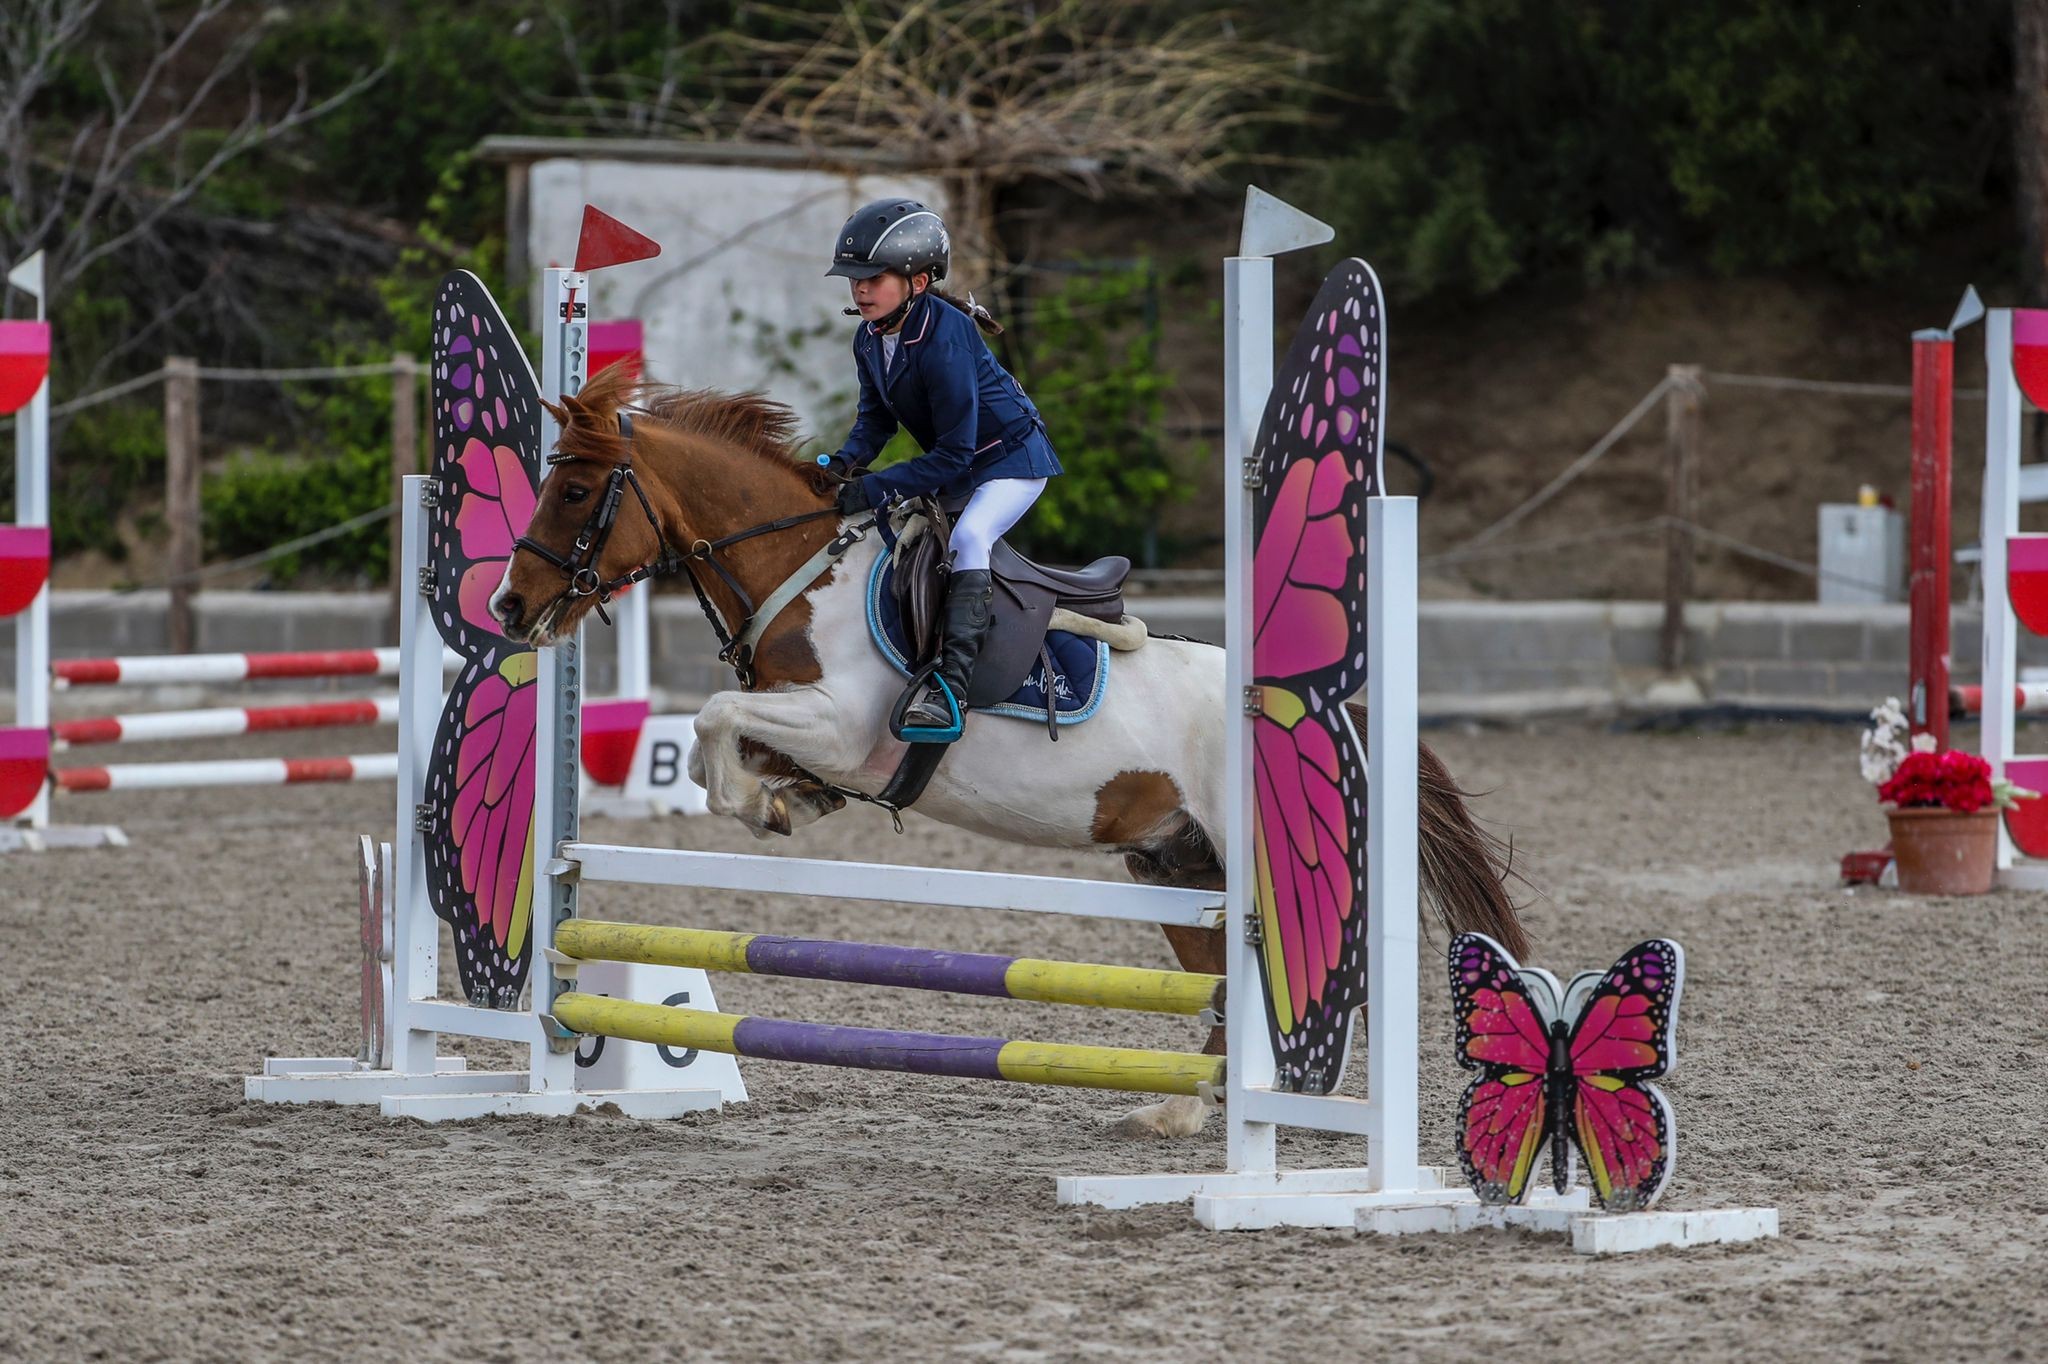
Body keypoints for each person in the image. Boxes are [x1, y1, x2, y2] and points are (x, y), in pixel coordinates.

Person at [822, 197, 1062, 736]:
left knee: (970, 538)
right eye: (853, 278)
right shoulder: (869, 337)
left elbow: (954, 453)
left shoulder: (947, 334)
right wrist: (839, 466)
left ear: (919, 281)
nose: (859, 288)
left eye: (873, 277)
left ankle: (952, 687)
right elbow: (875, 423)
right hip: (959, 465)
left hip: (1011, 462)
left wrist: (879, 486)